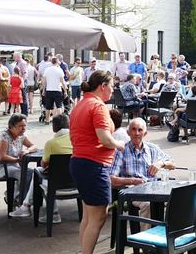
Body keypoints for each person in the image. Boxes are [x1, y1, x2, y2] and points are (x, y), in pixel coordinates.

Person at [69, 70, 125, 254]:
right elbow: (105, 139)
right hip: (94, 164)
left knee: (88, 216)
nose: (113, 90)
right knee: (99, 216)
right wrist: (119, 144)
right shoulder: (98, 106)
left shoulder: (81, 104)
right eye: (112, 86)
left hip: (80, 161)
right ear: (103, 86)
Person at [109, 118, 175, 226]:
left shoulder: (152, 148)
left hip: (153, 189)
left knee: (177, 199)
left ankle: (167, 235)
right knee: (147, 204)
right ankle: (147, 239)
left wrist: (160, 163)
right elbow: (112, 180)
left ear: (145, 133)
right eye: (133, 130)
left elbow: (172, 164)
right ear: (128, 132)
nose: (136, 133)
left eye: (140, 130)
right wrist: (133, 181)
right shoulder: (121, 151)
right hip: (132, 191)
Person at [9, 114, 72, 221]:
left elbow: (43, 164)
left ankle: (28, 206)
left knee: (37, 173)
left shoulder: (51, 144)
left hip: (56, 183)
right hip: (76, 181)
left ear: (54, 128)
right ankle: (30, 207)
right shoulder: (77, 139)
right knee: (40, 175)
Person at [0, 114, 37, 215]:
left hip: (13, 166)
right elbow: (2, 156)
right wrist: (17, 160)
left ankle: (16, 197)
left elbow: (34, 146)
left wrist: (27, 151)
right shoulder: (3, 136)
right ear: (11, 126)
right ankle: (21, 201)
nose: (23, 129)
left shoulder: (20, 136)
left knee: (32, 173)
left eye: (24, 126)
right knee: (26, 173)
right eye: (20, 126)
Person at [42, 57, 68, 124]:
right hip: (57, 90)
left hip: (49, 90)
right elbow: (63, 82)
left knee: (48, 107)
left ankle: (47, 120)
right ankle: (59, 121)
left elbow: (44, 81)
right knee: (58, 106)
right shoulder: (59, 70)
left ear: (51, 62)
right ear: (57, 62)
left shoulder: (47, 70)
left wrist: (43, 90)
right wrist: (65, 91)